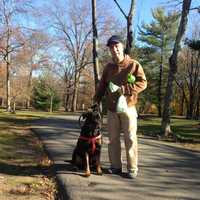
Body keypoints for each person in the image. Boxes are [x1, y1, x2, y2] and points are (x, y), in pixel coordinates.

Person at [94, 35, 147, 179]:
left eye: (117, 46)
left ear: (122, 47)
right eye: (111, 47)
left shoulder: (133, 64)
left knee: (130, 138)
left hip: (128, 108)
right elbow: (102, 86)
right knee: (112, 139)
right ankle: (116, 166)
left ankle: (132, 168)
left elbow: (143, 83)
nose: (114, 49)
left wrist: (126, 89)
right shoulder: (108, 67)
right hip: (112, 110)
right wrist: (95, 101)